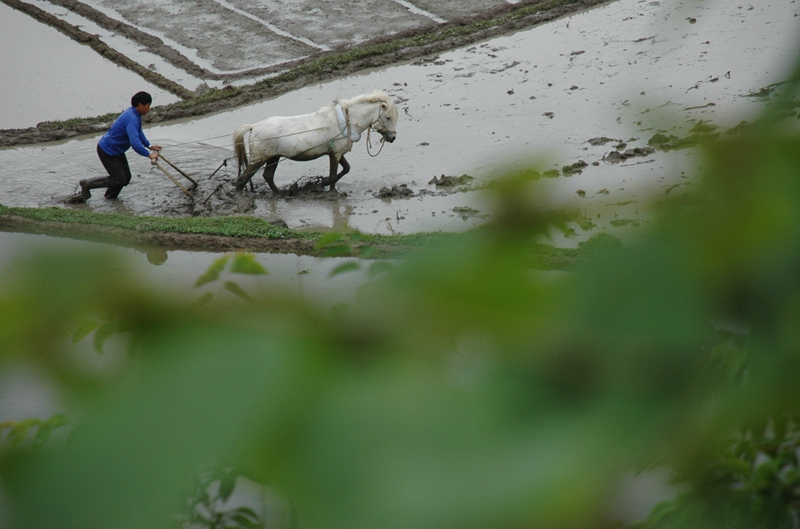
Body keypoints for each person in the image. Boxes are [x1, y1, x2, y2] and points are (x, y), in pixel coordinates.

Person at [70, 91, 161, 202]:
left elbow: (138, 132)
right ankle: (87, 184)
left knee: (125, 178)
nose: (149, 109)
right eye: (148, 106)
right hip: (108, 151)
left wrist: (149, 145)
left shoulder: (135, 114)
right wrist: (148, 155)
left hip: (116, 151)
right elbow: (135, 142)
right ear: (141, 105)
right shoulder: (132, 118)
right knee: (119, 179)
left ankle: (110, 198)